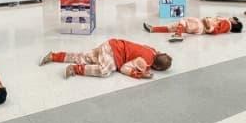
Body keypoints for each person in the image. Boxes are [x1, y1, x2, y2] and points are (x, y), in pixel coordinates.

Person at [39, 39, 172, 79]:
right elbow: (124, 67)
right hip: (113, 53)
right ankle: (75, 69)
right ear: (158, 67)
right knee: (105, 71)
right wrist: (139, 74)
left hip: (111, 45)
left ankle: (54, 56)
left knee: (85, 57)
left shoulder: (152, 50)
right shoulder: (145, 62)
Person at [143, 16, 243, 42]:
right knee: (176, 25)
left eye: (234, 19)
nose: (231, 18)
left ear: (234, 22)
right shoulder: (226, 23)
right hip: (200, 25)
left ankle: (178, 35)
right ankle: (154, 29)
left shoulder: (227, 23)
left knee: (183, 22)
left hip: (201, 25)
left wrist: (208, 25)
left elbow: (215, 31)